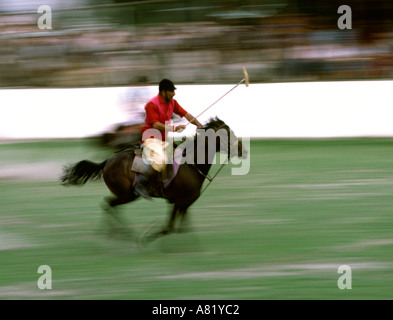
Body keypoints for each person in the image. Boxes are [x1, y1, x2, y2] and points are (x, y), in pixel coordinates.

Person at [134, 79, 203, 199]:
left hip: (164, 140)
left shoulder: (173, 102)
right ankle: (141, 185)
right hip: (150, 139)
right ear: (164, 92)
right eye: (171, 91)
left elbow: (186, 114)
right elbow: (155, 125)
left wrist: (198, 124)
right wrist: (174, 128)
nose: (174, 94)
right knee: (160, 161)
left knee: (181, 155)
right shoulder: (151, 104)